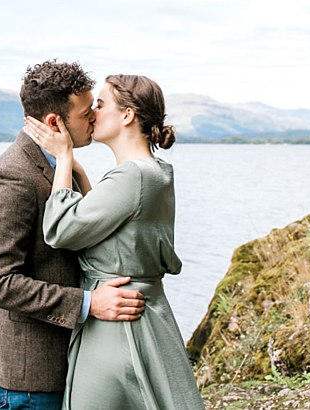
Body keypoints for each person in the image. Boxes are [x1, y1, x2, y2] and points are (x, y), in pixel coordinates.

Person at [23, 74, 205, 409]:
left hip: (116, 325)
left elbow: (60, 230)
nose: (92, 113)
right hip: (139, 313)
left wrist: (64, 159)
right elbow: (110, 228)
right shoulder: (155, 171)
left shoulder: (132, 175)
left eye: (100, 104)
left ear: (127, 115)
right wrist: (81, 175)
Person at [0, 61, 146, 409]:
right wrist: (88, 303)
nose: (95, 117)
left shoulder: (59, 164)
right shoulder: (13, 176)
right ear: (55, 122)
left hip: (62, 365)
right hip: (29, 379)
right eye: (86, 113)